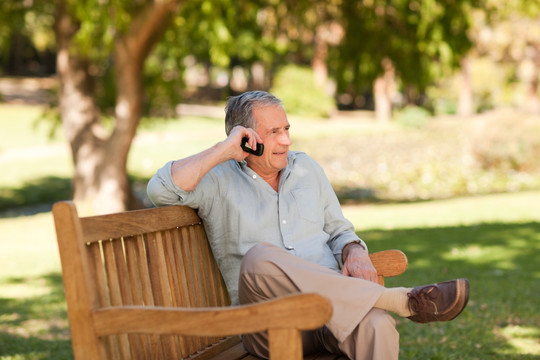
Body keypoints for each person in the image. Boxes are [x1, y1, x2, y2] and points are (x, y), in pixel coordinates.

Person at [147, 90, 469, 360]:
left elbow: (339, 230)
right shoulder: (217, 180)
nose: (286, 140)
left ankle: (388, 303)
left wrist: (354, 249)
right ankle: (401, 300)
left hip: (333, 313)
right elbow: (160, 190)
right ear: (245, 138)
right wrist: (225, 150)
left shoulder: (307, 169)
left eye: (286, 129)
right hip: (269, 324)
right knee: (259, 257)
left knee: (376, 323)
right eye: (274, 132)